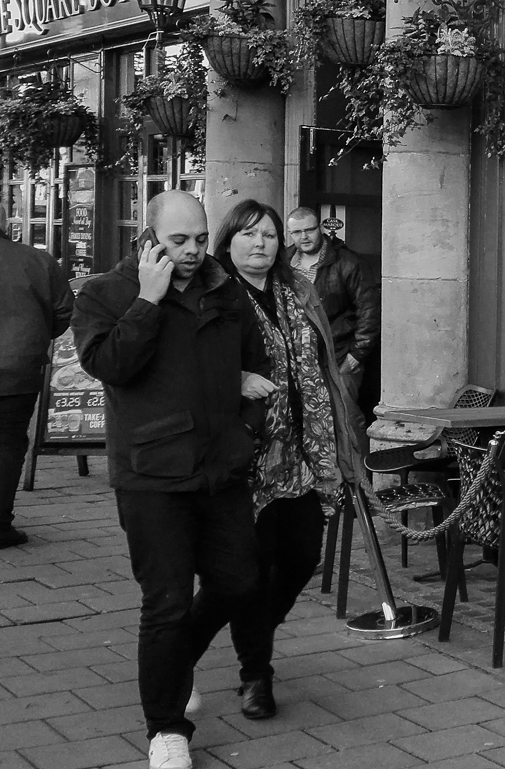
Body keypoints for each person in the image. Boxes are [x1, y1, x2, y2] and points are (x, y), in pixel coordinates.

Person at [73, 191, 274, 769]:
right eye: (178, 240)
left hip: (221, 466)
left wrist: (245, 428)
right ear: (149, 236)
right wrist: (147, 300)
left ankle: (171, 664)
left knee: (239, 581)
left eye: (199, 239)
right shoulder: (105, 292)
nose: (191, 251)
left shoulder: (224, 289)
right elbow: (108, 365)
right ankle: (166, 729)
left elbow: (256, 365)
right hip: (151, 475)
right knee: (165, 602)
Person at [187, 201, 366, 724]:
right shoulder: (214, 296)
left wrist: (339, 435)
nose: (260, 243)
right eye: (248, 234)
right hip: (244, 458)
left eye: (268, 234)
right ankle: (246, 671)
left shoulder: (297, 290)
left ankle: (237, 641)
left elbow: (322, 366)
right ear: (227, 242)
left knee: (302, 557)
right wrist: (235, 379)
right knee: (242, 574)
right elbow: (191, 366)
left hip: (302, 453)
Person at [0, 222, 74, 547]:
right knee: (8, 443)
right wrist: (39, 334)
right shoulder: (39, 260)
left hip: (19, 362)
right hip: (19, 366)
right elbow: (64, 311)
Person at [283, 208, 379, 418]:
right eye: (297, 232)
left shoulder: (348, 262)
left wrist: (355, 356)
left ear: (320, 228)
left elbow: (369, 312)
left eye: (309, 230)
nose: (304, 237)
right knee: (307, 421)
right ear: (289, 234)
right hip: (297, 358)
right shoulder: (283, 263)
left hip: (339, 356)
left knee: (345, 419)